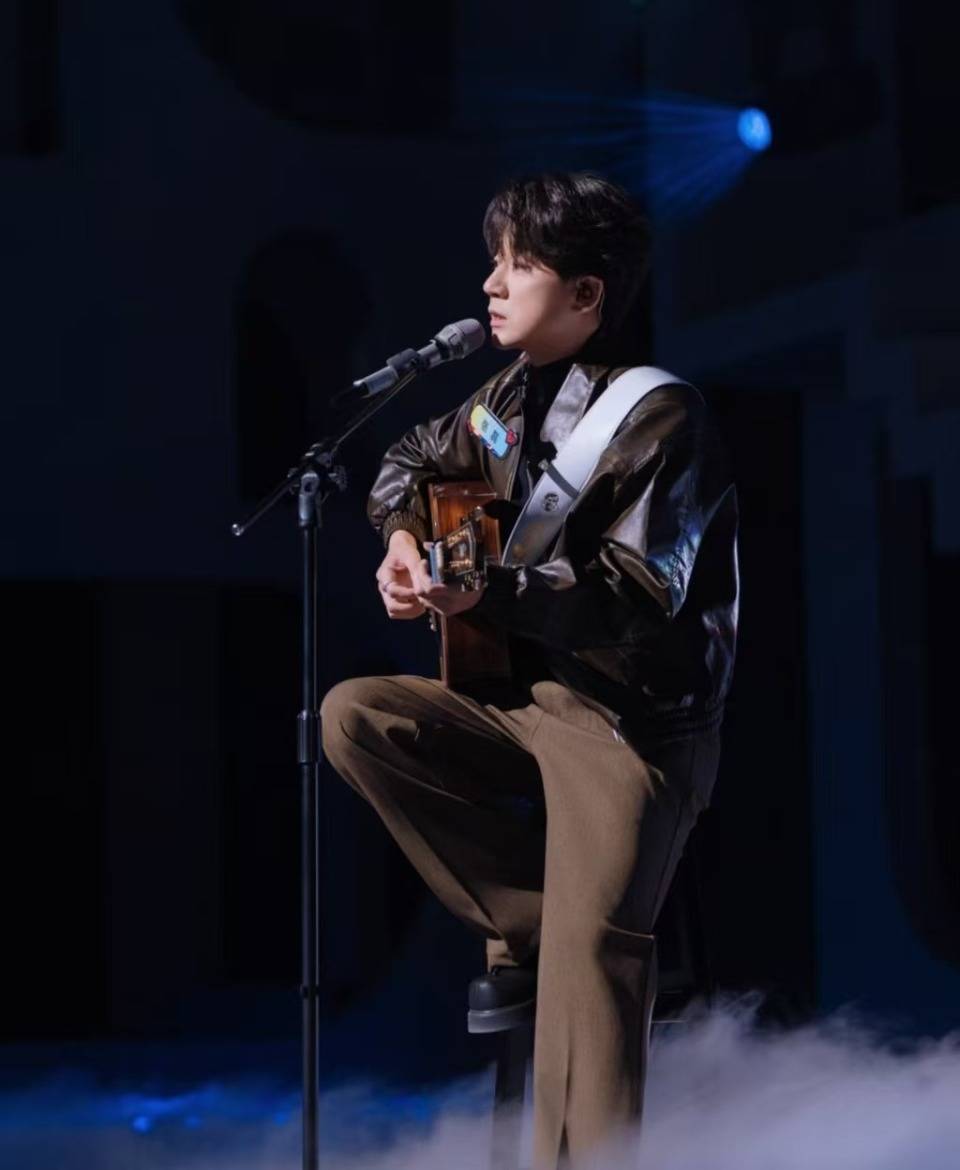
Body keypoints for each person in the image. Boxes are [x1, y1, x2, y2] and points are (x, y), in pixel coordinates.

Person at [321, 172, 739, 1168]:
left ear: (587, 294)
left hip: (629, 725)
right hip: (517, 702)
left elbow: (638, 594)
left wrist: (485, 591)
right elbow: (409, 461)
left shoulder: (662, 418)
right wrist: (403, 540)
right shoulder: (503, 397)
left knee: (594, 963)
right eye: (495, 260)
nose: (492, 283)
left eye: (519, 264)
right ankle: (542, 915)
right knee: (356, 717)